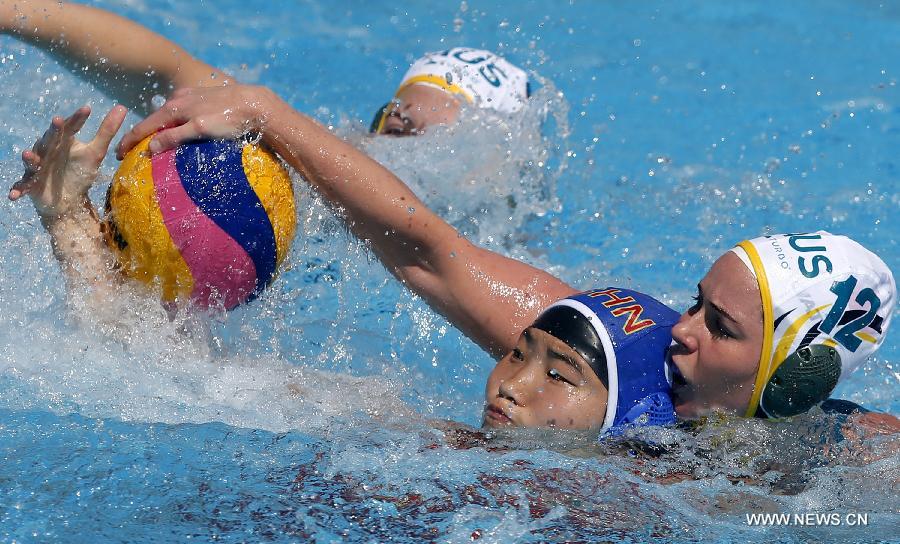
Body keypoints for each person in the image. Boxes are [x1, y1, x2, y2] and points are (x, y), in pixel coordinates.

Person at [104, 83, 896, 426]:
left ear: (790, 384)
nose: (683, 328)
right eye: (695, 300)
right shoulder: (609, 352)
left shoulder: (835, 463)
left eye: (718, 326)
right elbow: (431, 250)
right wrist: (267, 115)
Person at [9, 105, 679, 436]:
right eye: (515, 352)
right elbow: (154, 373)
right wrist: (67, 217)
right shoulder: (413, 438)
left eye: (560, 375)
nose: (511, 385)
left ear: (629, 420)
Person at [0, 1, 528, 135]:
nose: (397, 126)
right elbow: (173, 73)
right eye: (393, 116)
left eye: (414, 128)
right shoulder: (323, 156)